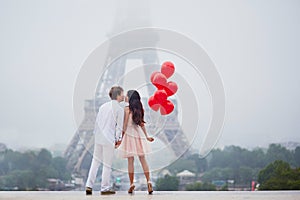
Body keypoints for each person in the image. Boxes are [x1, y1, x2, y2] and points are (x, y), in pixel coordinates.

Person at [85, 86, 125, 195]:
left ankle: (89, 185)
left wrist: (96, 135)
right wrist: (118, 140)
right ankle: (104, 188)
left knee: (95, 162)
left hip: (99, 138)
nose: (123, 96)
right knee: (107, 165)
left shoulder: (102, 107)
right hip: (109, 139)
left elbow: (97, 123)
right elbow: (119, 128)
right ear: (118, 95)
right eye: (122, 94)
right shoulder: (119, 110)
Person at [120, 90, 154, 194]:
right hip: (138, 135)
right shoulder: (139, 109)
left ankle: (131, 184)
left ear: (129, 98)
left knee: (130, 161)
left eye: (126, 96)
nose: (125, 97)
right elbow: (142, 124)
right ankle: (148, 181)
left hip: (129, 136)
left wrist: (120, 138)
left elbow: (125, 126)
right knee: (143, 159)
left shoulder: (126, 110)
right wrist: (146, 136)